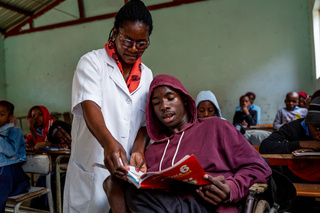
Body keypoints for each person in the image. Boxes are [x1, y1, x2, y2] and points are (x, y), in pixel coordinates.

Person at [125, 75, 272, 213]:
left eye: (170, 98)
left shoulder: (216, 127)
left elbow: (259, 167)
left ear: (184, 99)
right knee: (130, 190)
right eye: (156, 103)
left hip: (211, 206)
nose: (164, 106)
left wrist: (231, 187)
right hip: (168, 205)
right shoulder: (153, 150)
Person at [63, 1, 153, 212]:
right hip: (92, 167)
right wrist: (109, 143)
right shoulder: (92, 63)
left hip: (126, 174)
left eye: (142, 43)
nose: (133, 49)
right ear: (115, 33)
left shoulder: (147, 75)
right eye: (127, 40)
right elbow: (90, 106)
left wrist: (139, 148)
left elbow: (144, 122)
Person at [0, 100, 30, 212]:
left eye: (1, 114)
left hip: (13, 174)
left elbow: (11, 151)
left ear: (10, 117)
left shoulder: (14, 130)